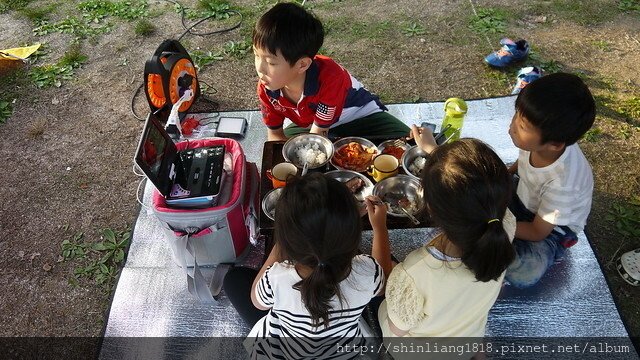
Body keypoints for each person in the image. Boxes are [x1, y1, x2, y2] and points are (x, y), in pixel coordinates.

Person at [223, 172, 392, 359]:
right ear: (354, 233)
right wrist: (380, 228)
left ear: (287, 240)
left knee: (233, 279)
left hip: (284, 352)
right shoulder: (368, 271)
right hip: (343, 352)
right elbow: (383, 284)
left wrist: (283, 240)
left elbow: (256, 301)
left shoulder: (277, 278)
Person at [377, 139, 516, 356]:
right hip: (468, 333)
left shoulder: (414, 273)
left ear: (430, 208)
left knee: (384, 310)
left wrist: (382, 236)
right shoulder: (505, 225)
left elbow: (398, 329)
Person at [253, 2, 410, 141]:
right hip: (313, 126)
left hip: (362, 117)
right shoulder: (266, 88)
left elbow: (317, 137)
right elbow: (274, 136)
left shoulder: (331, 79)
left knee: (412, 144)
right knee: (286, 154)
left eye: (270, 62)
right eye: (256, 55)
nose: (259, 69)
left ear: (302, 65)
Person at [504, 72, 595, 288]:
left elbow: (538, 232)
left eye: (523, 126)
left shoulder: (563, 183)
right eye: (516, 114)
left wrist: (497, 225)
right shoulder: (537, 144)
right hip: (526, 197)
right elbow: (522, 162)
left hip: (552, 229)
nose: (512, 126)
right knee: (478, 189)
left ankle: (546, 249)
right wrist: (505, 175)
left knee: (524, 272)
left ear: (554, 144)